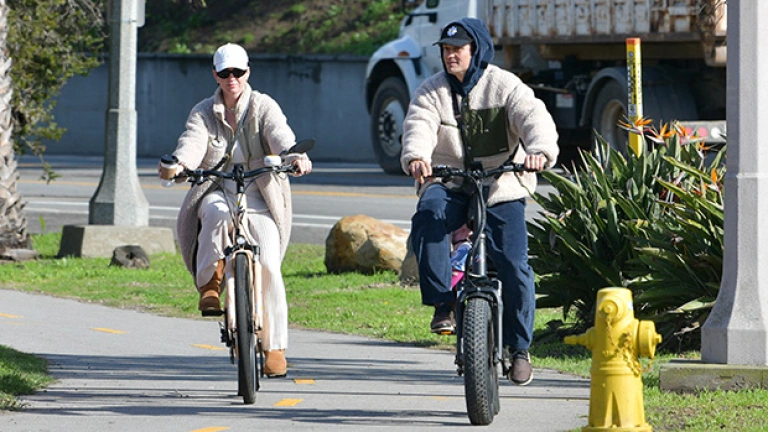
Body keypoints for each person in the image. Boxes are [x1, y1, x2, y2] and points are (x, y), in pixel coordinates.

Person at [401, 18, 559, 386]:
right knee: (428, 214)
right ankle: (444, 303)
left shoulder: (505, 86)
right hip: (451, 181)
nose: (450, 55)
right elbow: (418, 126)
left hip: (501, 183)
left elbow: (534, 118)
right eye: (445, 49)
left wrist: (539, 151)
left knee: (515, 264)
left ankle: (519, 349)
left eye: (458, 49)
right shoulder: (431, 90)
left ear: (477, 51)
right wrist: (417, 157)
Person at [158, 43, 312, 378]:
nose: (232, 79)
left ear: (248, 72)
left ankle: (275, 347)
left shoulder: (263, 105)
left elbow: (280, 133)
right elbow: (192, 143)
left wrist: (293, 156)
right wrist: (180, 164)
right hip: (217, 187)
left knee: (269, 260)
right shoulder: (202, 111)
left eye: (237, 72)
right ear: (215, 74)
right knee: (213, 214)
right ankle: (210, 284)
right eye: (224, 72)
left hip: (259, 191)